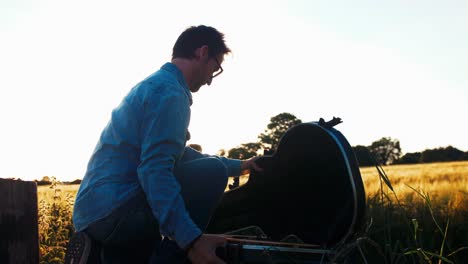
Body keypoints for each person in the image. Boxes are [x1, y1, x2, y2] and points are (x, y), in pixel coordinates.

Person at [66, 25, 262, 264]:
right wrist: (191, 241)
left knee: (211, 168)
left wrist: (240, 165)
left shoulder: (156, 85)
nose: (211, 79)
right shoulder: (170, 94)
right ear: (202, 53)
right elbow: (154, 171)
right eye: (215, 67)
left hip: (94, 212)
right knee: (212, 173)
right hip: (115, 213)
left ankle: (110, 255)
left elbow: (179, 155)